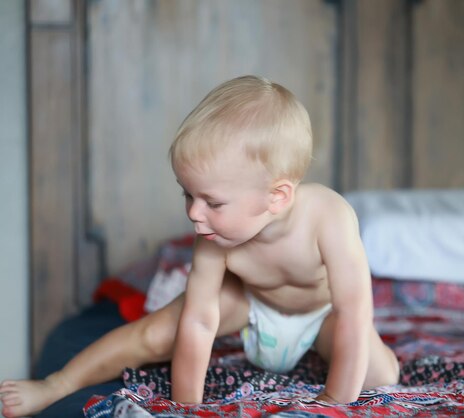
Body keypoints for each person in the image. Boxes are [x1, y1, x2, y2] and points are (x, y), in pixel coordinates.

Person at [0, 75, 399, 417]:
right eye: (188, 196)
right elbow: (198, 321)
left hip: (322, 315)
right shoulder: (215, 234)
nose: (194, 213)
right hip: (250, 304)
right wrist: (186, 407)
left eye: (213, 202)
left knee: (381, 376)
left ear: (277, 196)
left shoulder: (330, 217)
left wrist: (333, 402)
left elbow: (352, 312)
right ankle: (56, 383)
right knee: (155, 333)